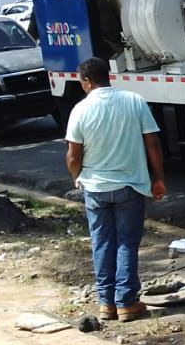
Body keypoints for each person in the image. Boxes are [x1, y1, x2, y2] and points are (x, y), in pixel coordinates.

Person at [64, 57, 167, 322]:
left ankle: (106, 303)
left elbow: (73, 155)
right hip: (130, 185)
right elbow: (152, 142)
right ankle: (126, 302)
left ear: (86, 81)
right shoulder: (134, 101)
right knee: (126, 244)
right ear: (108, 76)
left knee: (102, 243)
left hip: (95, 187)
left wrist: (78, 177)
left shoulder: (80, 109)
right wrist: (158, 178)